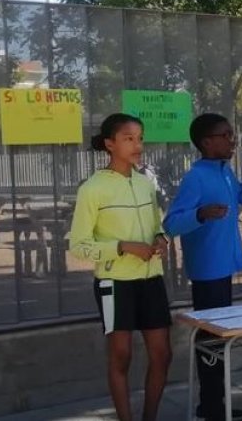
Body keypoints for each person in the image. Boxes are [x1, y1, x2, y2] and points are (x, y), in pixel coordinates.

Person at [69, 114, 172, 421]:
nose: (137, 144)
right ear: (109, 144)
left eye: (140, 138)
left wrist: (161, 238)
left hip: (151, 279)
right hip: (114, 283)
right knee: (121, 356)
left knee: (162, 354)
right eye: (129, 138)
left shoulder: (144, 183)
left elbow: (157, 225)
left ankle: (149, 417)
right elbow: (78, 245)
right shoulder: (92, 189)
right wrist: (123, 246)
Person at [164, 113, 242, 420]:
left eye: (233, 135)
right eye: (227, 135)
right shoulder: (195, 177)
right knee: (211, 340)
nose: (233, 140)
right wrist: (201, 214)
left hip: (224, 266)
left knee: (221, 337)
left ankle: (215, 403)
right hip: (207, 271)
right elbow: (171, 223)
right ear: (207, 142)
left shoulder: (224, 172)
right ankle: (211, 406)